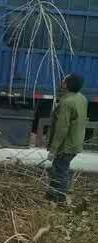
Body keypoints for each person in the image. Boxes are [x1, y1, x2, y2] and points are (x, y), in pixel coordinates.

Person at [47, 74, 88, 204]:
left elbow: (62, 128)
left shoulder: (67, 102)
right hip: (76, 142)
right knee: (61, 167)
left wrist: (53, 149)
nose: (62, 80)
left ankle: (59, 199)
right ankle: (53, 194)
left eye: (64, 79)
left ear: (67, 84)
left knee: (59, 169)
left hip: (66, 144)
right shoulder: (81, 98)